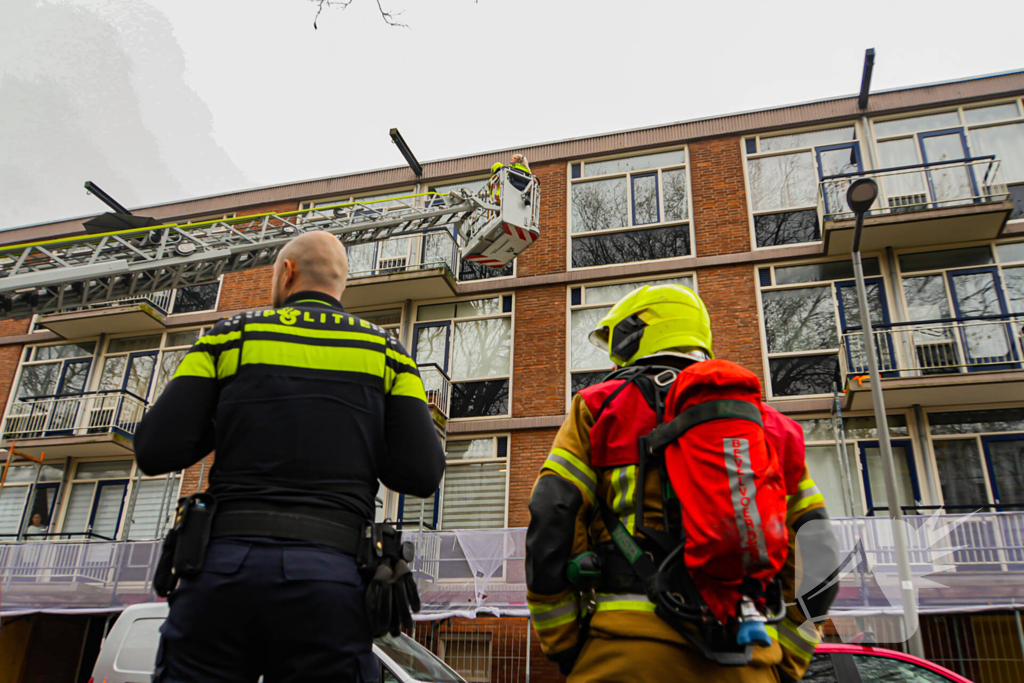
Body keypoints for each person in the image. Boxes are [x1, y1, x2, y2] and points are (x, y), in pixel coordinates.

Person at [135, 230, 446, 683]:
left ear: (286, 272)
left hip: (223, 574)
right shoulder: (389, 354)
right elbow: (420, 473)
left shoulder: (229, 337)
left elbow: (155, 449)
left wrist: (233, 413)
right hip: (331, 579)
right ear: (342, 284)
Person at [525, 284, 840, 682]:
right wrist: (787, 661)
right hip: (750, 660)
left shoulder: (599, 405)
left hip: (625, 654)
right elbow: (820, 550)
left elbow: (552, 516)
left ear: (637, 333)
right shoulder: (771, 427)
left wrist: (564, 645)